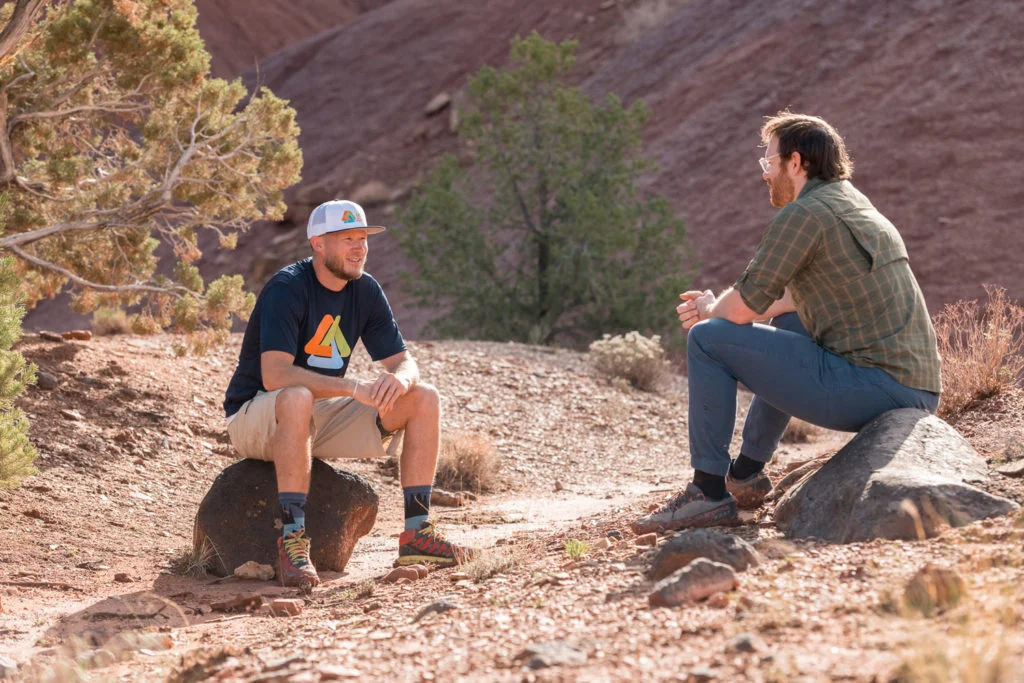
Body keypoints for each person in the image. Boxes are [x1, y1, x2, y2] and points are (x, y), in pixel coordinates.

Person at [633, 112, 942, 534]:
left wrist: (709, 311)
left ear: (795, 163)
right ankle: (745, 473)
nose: (765, 174)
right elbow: (789, 299)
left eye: (768, 162)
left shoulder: (805, 215)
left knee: (707, 339)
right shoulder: (852, 204)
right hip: (914, 388)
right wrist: (720, 305)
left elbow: (740, 311)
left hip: (876, 389)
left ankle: (707, 492)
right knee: (793, 319)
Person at [223, 199, 474, 587]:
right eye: (347, 239)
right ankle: (293, 541)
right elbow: (274, 376)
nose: (359, 248)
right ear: (318, 244)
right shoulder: (287, 287)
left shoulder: (366, 290)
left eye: (363, 238)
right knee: (296, 396)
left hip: (314, 418)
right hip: (256, 417)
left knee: (424, 397)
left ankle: (417, 534)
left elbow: (404, 362)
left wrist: (402, 380)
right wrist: (354, 387)